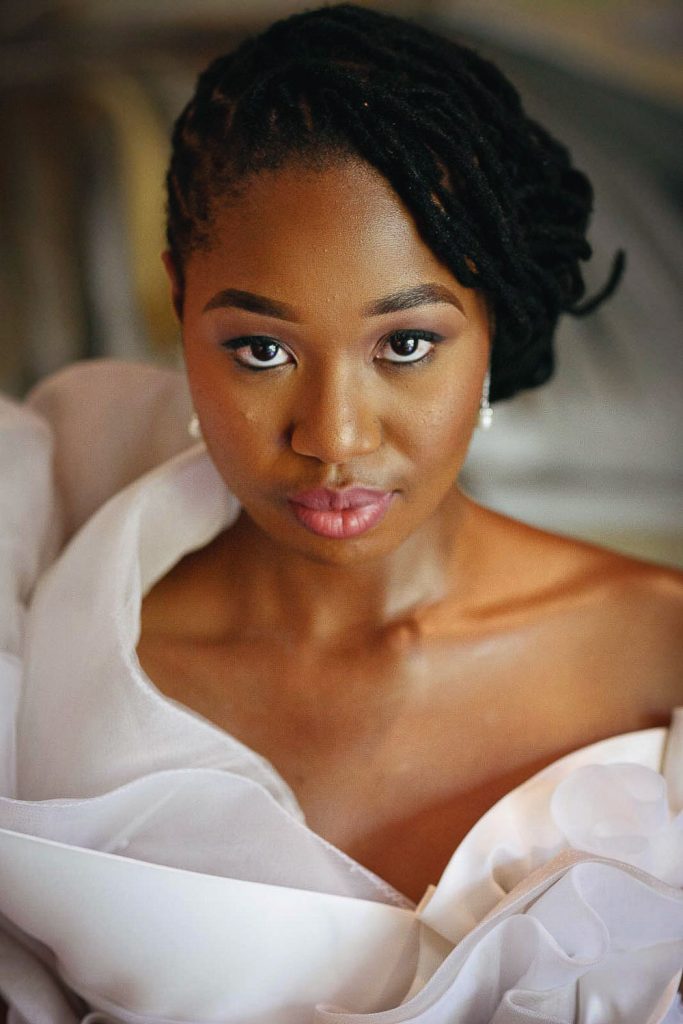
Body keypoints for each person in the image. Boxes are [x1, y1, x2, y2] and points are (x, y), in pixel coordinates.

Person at [0, 4, 681, 1021]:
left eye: (404, 343)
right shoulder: (51, 667)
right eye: (259, 348)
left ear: (492, 318)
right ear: (179, 302)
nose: (333, 436)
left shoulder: (659, 650)